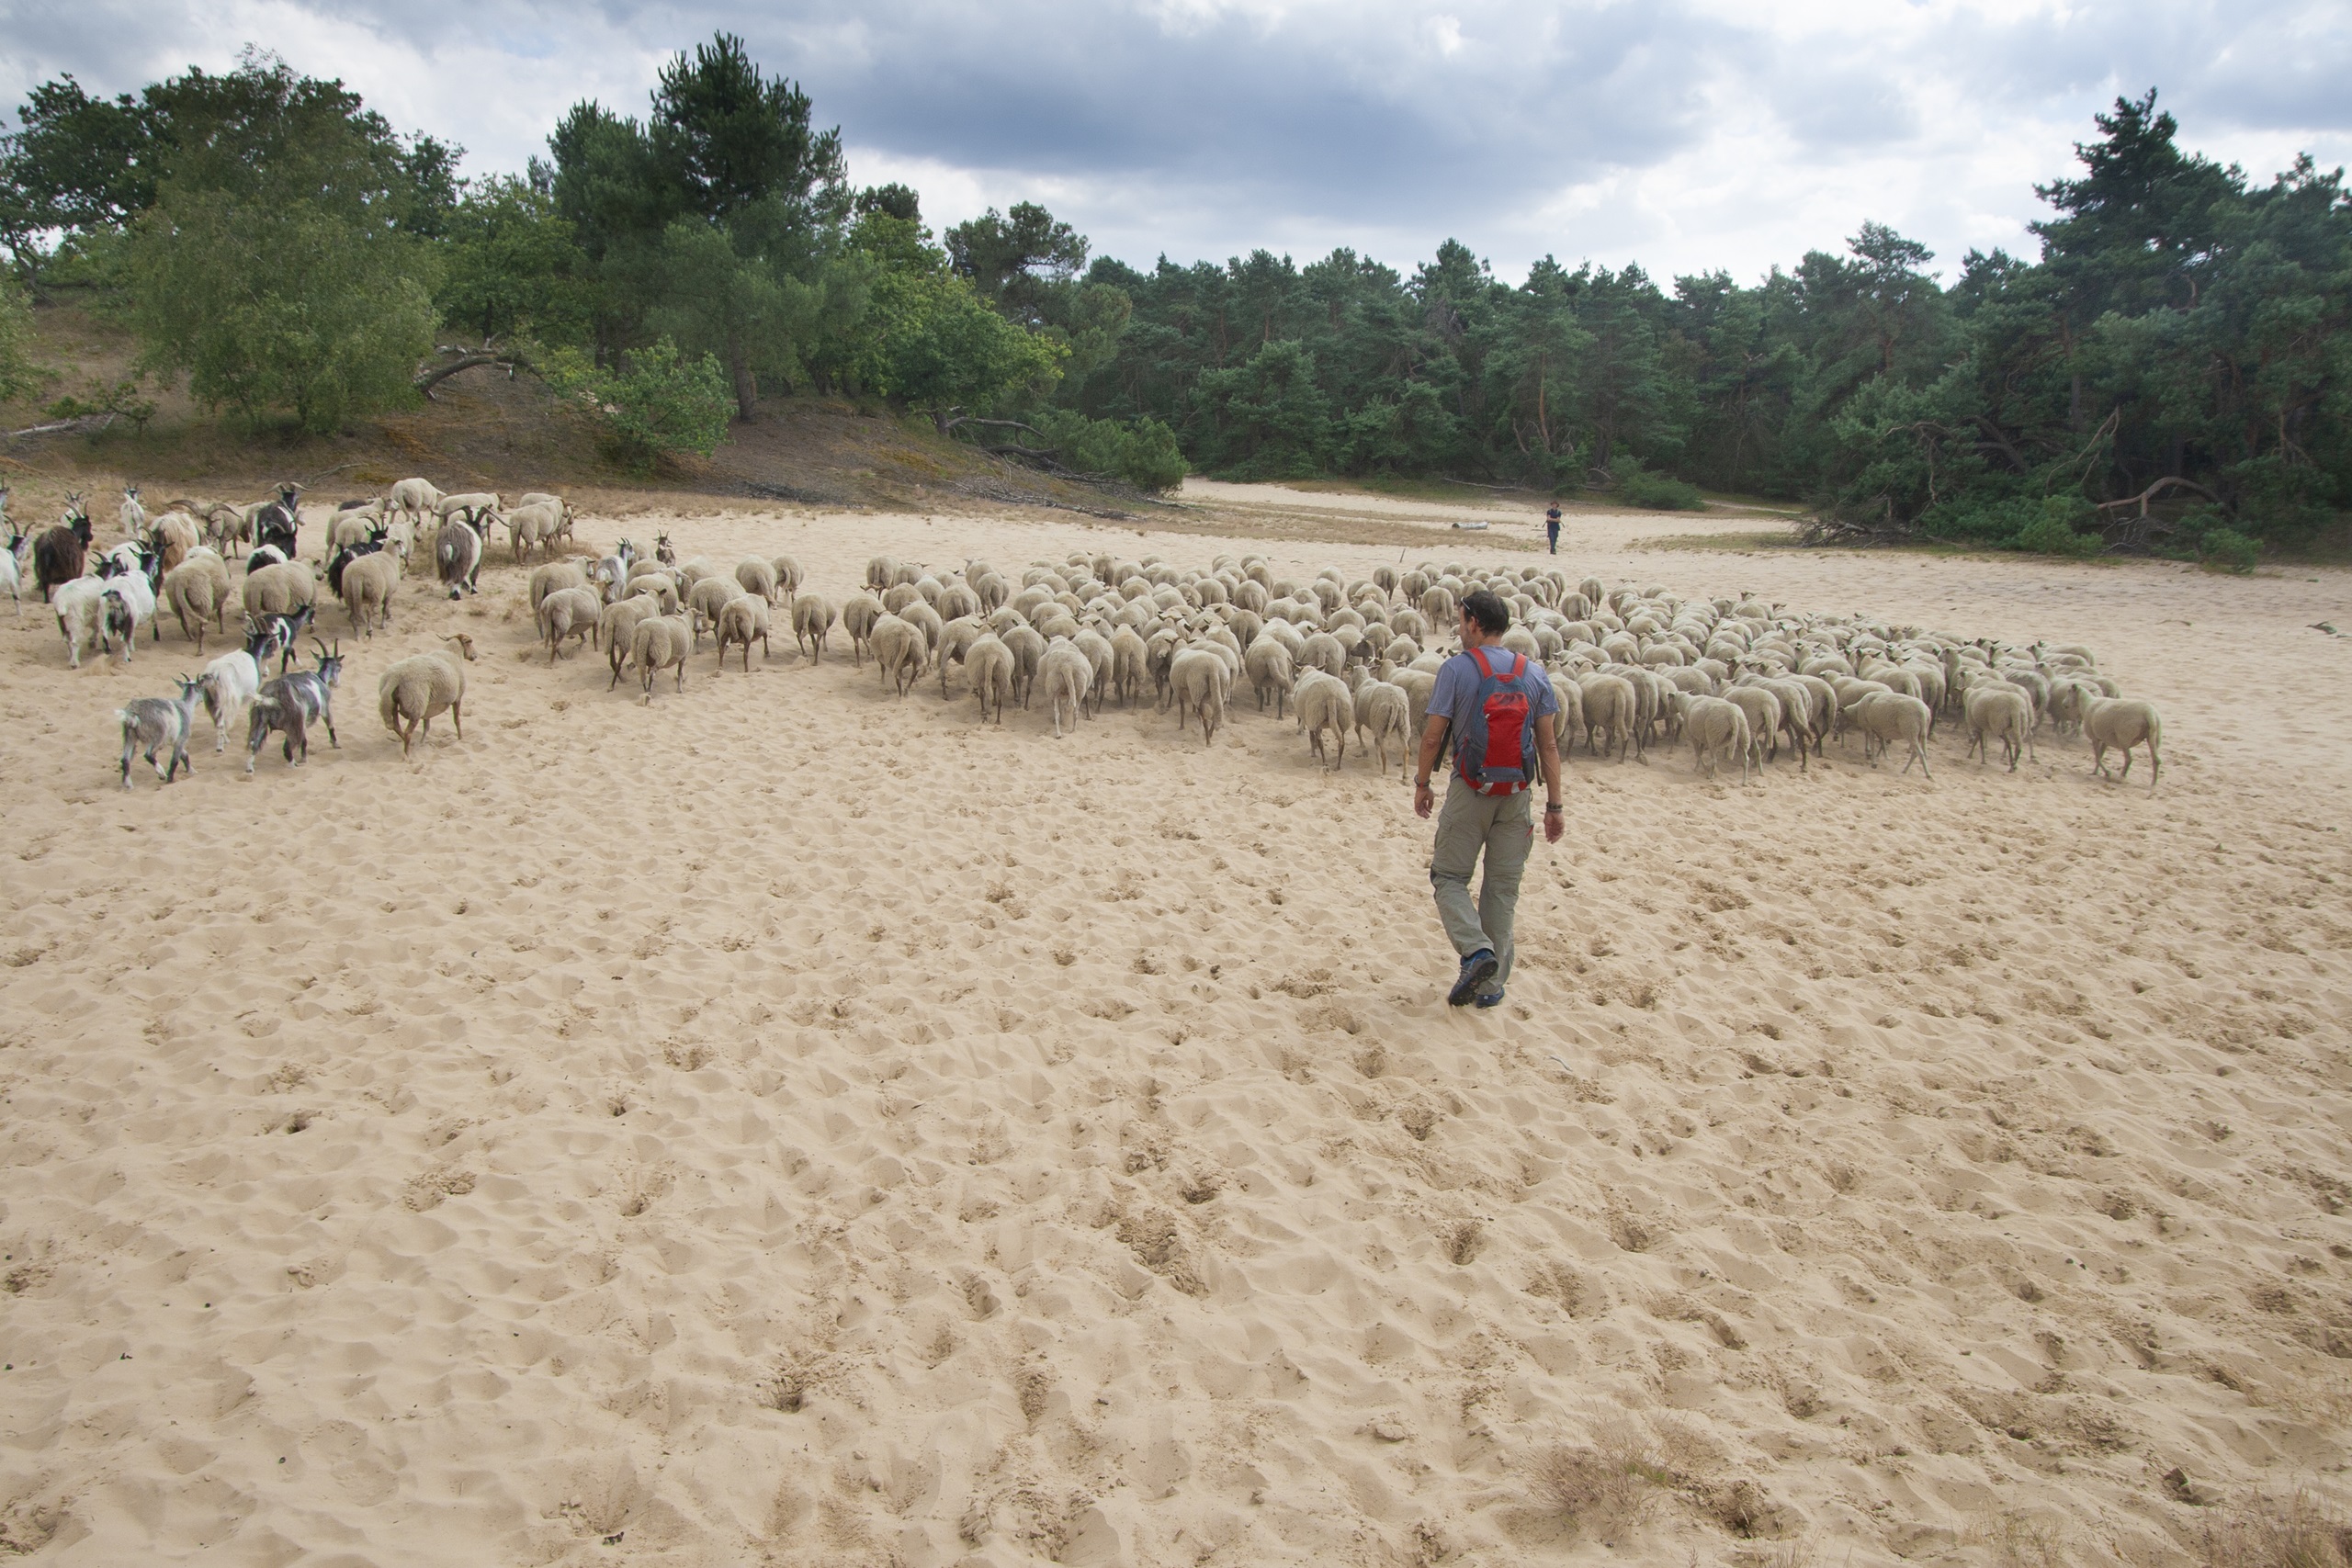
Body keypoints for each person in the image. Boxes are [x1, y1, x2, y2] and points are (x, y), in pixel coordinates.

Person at [1412, 589, 1564, 1009]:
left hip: (1469, 792)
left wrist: (1423, 783)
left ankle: (1477, 952)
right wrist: (1554, 806)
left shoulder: (1456, 669)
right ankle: (1492, 986)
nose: (1459, 629)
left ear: (1475, 623)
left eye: (1461, 622)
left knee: (1448, 877)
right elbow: (1548, 746)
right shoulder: (1533, 673)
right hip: (1517, 795)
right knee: (1500, 890)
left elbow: (1433, 735)